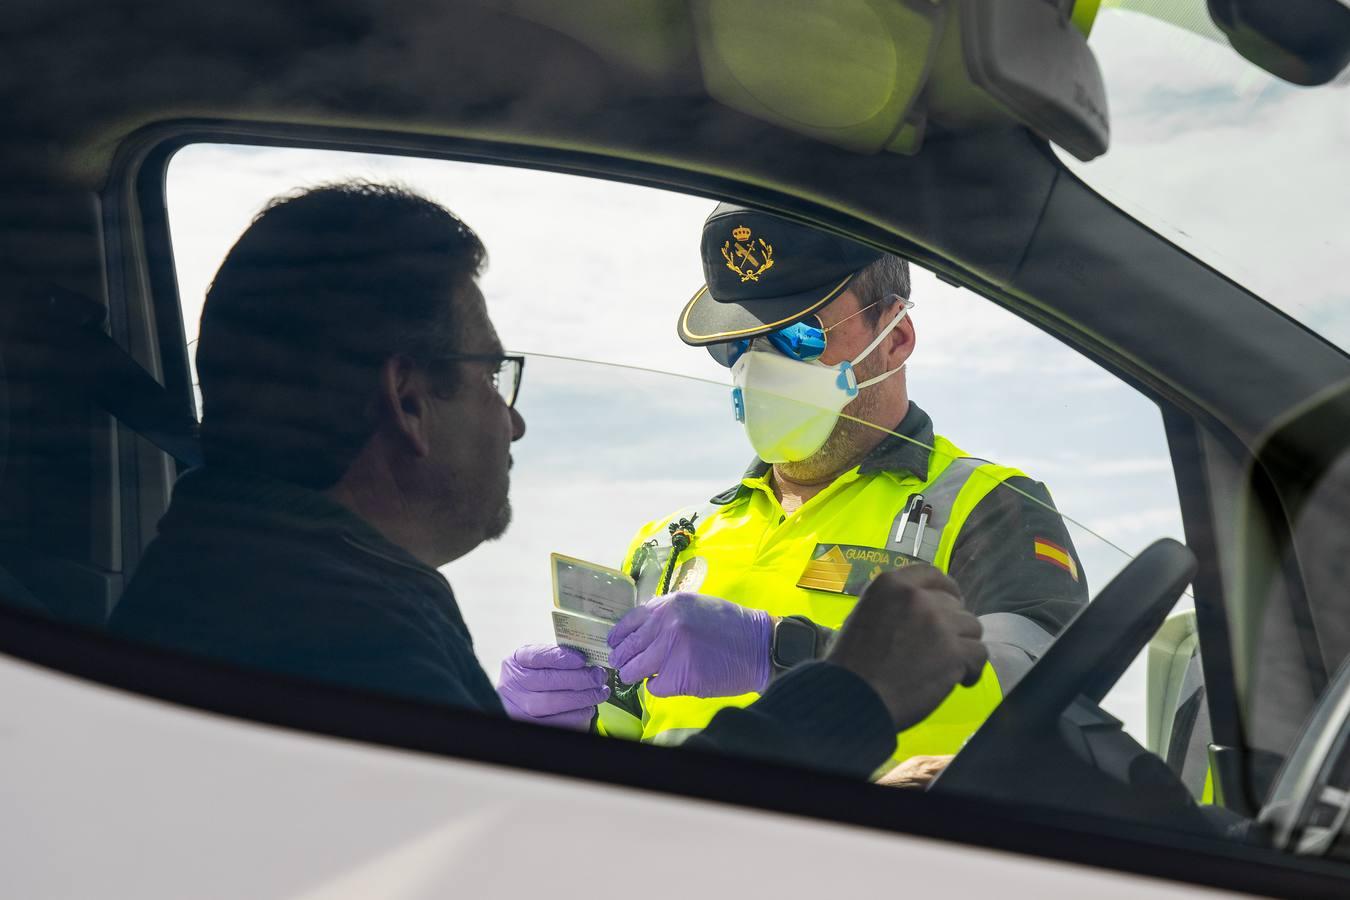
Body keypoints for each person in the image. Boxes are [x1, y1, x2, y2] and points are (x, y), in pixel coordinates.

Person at [108, 182, 988, 779]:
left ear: (896, 337)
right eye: (495, 375)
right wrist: (846, 695)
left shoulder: (268, 586)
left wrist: (497, 745)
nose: (515, 419)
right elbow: (576, 872)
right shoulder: (337, 640)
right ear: (408, 400)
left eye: (794, 339)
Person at [499, 204, 1089, 781]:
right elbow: (626, 736)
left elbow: (1043, 700)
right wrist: (559, 728)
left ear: (897, 336)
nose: (755, 368)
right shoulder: (669, 542)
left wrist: (776, 652)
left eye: (798, 336)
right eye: (736, 345)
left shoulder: (988, 506)